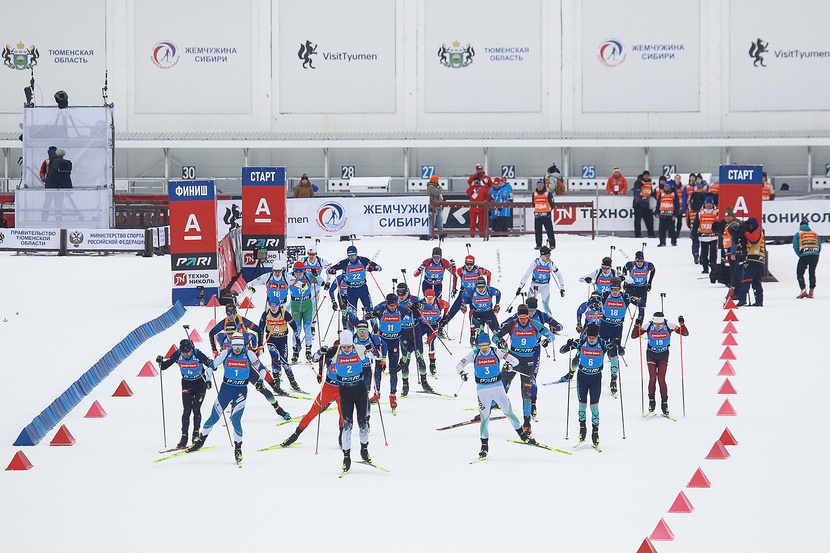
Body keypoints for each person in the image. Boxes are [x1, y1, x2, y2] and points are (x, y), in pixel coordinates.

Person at [456, 332, 536, 459]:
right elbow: (459, 364)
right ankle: (484, 447)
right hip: (483, 390)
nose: (484, 349)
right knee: (485, 418)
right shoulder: (474, 354)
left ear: (489, 344)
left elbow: (515, 360)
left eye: (486, 346)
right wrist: (462, 373)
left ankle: (523, 435)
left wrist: (510, 365)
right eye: (482, 346)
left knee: (509, 412)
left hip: (498, 388)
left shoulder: (495, 351)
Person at [188, 333, 265, 464]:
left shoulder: (249, 354)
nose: (237, 349)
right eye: (235, 346)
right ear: (231, 345)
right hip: (226, 390)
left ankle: (238, 448)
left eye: (240, 346)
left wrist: (260, 381)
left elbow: (262, 369)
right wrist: (208, 380)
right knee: (214, 417)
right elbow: (211, 367)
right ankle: (200, 441)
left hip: (240, 392)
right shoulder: (226, 353)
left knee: (236, 420)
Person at [494, 304, 556, 436]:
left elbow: (551, 335)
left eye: (525, 318)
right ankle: (488, 409)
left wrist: (547, 340)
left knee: (526, 392)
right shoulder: (512, 324)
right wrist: (498, 342)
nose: (523, 320)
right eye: (521, 318)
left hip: (528, 362)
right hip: (513, 359)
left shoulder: (535, 324)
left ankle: (527, 423)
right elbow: (495, 336)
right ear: (518, 316)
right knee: (499, 382)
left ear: (528, 316)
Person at [559, 323, 618, 448]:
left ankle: (595, 432)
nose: (591, 339)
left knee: (594, 407)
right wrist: (568, 345)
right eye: (589, 337)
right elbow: (562, 351)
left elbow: (620, 352)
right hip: (582, 378)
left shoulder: (602, 343)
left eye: (593, 337)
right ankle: (582, 428)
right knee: (582, 405)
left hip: (596, 378)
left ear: (597, 336)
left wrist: (617, 345)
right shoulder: (581, 342)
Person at [280, 339, 343, 448]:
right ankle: (296, 434)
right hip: (328, 389)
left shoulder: (349, 356)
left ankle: (342, 436)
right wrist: (320, 352)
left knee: (343, 414)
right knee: (313, 412)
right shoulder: (330, 354)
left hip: (342, 390)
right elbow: (315, 359)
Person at [332, 330, 377, 472]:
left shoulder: (359, 349)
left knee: (363, 423)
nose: (346, 349)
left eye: (349, 346)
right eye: (344, 347)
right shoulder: (335, 351)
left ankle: (364, 450)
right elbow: (315, 358)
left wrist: (371, 349)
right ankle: (346, 457)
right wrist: (321, 353)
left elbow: (377, 356)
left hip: (360, 390)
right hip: (345, 393)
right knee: (347, 426)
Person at [156, 339, 212, 449]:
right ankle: (184, 437)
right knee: (186, 410)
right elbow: (164, 367)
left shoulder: (197, 353)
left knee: (196, 408)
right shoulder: (177, 354)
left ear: (191, 349)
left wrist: (209, 363)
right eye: (183, 352)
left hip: (200, 383)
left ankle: (196, 435)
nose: (185, 354)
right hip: (186, 384)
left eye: (187, 352)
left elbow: (210, 365)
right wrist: (160, 361)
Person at [630, 312, 688, 416]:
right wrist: (637, 325)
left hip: (663, 355)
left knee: (661, 379)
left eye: (660, 325)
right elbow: (634, 336)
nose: (657, 327)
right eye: (655, 324)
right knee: (652, 378)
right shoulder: (648, 325)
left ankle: (664, 404)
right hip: (651, 354)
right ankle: (651, 402)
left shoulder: (669, 325)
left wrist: (682, 324)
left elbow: (685, 333)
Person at [368, 293, 411, 410]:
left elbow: (413, 314)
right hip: (382, 343)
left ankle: (392, 395)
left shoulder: (401, 310)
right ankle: (377, 393)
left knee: (393, 370)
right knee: (378, 368)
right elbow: (371, 315)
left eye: (394, 305)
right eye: (390, 305)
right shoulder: (381, 309)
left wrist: (414, 309)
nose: (392, 307)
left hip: (394, 343)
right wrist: (371, 316)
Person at [599, 277, 639, 395]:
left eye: (617, 289)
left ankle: (613, 379)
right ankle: (595, 375)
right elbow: (593, 299)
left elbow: (639, 302)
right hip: (604, 327)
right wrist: (594, 303)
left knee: (614, 353)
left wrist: (638, 301)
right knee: (600, 351)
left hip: (617, 329)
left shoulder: (625, 296)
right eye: (613, 289)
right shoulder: (605, 295)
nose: (615, 292)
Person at [525, 296, 563, 418]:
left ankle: (533, 404)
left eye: (533, 310)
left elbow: (559, 326)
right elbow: (505, 324)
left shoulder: (541, 316)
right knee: (508, 375)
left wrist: (553, 329)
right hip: (520, 351)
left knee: (532, 378)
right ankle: (496, 402)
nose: (531, 313)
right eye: (529, 310)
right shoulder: (521, 315)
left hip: (535, 350)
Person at [441, 276, 501, 347]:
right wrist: (463, 305)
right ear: (476, 286)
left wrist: (497, 304)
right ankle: (477, 348)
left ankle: (504, 350)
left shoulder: (490, 290)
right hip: (477, 314)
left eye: (482, 287)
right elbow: (463, 294)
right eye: (478, 287)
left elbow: (498, 293)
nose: (480, 289)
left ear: (485, 286)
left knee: (498, 334)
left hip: (489, 313)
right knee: (480, 334)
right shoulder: (471, 290)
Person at [257, 298, 301, 393]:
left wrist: (298, 341)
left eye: (275, 305)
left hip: (282, 339)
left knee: (284, 362)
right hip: (271, 339)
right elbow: (260, 329)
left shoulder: (284, 313)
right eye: (271, 305)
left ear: (278, 305)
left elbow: (295, 328)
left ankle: (292, 381)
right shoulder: (266, 313)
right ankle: (276, 381)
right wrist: (260, 344)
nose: (273, 308)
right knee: (275, 357)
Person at [328, 245, 382, 315]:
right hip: (351, 291)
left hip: (363, 289)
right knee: (352, 315)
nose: (351, 258)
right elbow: (329, 270)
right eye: (349, 256)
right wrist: (332, 271)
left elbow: (379, 268)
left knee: (371, 313)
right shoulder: (344, 262)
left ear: (356, 254)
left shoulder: (363, 260)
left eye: (353, 255)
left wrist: (372, 268)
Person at [288, 261, 324, 362]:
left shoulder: (308, 275)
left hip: (307, 305)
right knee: (296, 329)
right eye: (296, 272)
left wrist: (316, 275)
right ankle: (295, 352)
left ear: (303, 271)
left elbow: (321, 283)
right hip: (295, 305)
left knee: (307, 329)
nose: (298, 275)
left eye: (300, 273)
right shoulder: (289, 276)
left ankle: (308, 351)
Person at [517, 245, 565, 314]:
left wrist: (562, 288)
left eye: (549, 255)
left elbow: (559, 276)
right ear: (541, 255)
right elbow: (526, 275)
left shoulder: (551, 264)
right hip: (534, 285)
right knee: (529, 305)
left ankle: (550, 319)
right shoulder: (536, 263)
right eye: (546, 255)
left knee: (545, 305)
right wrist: (520, 287)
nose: (548, 257)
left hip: (545, 286)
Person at [731, 217, 765, 307]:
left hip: (754, 259)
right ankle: (759, 301)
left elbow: (753, 240)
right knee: (756, 281)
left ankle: (742, 299)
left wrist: (745, 232)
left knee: (746, 280)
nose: (748, 227)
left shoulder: (757, 231)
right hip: (759, 259)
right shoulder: (755, 232)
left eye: (749, 226)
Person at [622, 250, 656, 322]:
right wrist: (625, 281)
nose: (639, 263)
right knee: (624, 304)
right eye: (638, 261)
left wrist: (649, 282)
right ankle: (620, 320)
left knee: (642, 306)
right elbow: (624, 269)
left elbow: (653, 270)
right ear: (635, 260)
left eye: (641, 261)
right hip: (631, 287)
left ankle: (639, 324)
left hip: (642, 288)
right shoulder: (630, 264)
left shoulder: (648, 265)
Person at [794, 218, 821, 298]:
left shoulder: (799, 234)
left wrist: (800, 255)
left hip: (804, 254)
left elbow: (795, 246)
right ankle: (811, 290)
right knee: (812, 272)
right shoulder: (815, 234)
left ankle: (803, 290)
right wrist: (816, 253)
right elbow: (819, 245)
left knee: (799, 273)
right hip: (815, 255)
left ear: (800, 226)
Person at [691, 196, 718, 274]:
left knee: (713, 253)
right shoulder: (700, 212)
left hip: (713, 236)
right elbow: (696, 224)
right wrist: (694, 233)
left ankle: (713, 268)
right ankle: (705, 268)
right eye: (707, 203)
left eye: (710, 203)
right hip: (703, 236)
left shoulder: (716, 212)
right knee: (704, 253)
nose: (708, 205)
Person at [686, 174, 709, 264]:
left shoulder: (691, 208)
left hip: (694, 227)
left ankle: (696, 255)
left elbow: (687, 219)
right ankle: (702, 258)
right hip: (704, 228)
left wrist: (690, 226)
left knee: (695, 242)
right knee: (703, 244)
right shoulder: (703, 210)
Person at [532, 178, 556, 249]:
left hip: (546, 215)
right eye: (538, 184)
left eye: (541, 184)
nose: (539, 186)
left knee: (549, 231)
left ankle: (552, 245)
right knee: (538, 231)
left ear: (543, 185)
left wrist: (548, 210)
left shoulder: (547, 193)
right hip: (537, 215)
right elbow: (533, 204)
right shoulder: (534, 193)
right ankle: (538, 245)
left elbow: (552, 204)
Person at [654, 177, 679, 247]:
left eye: (667, 186)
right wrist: (657, 212)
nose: (666, 187)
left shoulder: (674, 194)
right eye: (665, 186)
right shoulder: (661, 194)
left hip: (670, 215)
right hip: (662, 214)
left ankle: (673, 241)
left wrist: (675, 215)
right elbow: (658, 204)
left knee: (672, 229)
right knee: (661, 229)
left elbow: (677, 205)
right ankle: (662, 242)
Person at [632, 171, 655, 239]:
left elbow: (650, 192)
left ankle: (651, 234)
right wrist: (637, 203)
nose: (646, 177)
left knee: (649, 220)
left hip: (646, 204)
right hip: (639, 204)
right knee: (637, 221)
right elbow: (636, 193)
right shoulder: (639, 182)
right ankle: (637, 235)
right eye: (645, 175)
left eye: (648, 175)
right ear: (643, 176)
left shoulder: (649, 183)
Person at [427, 175, 446, 239]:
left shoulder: (434, 187)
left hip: (438, 206)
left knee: (439, 220)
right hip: (433, 207)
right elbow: (437, 193)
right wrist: (440, 188)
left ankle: (441, 233)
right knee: (432, 221)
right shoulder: (431, 187)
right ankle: (431, 234)